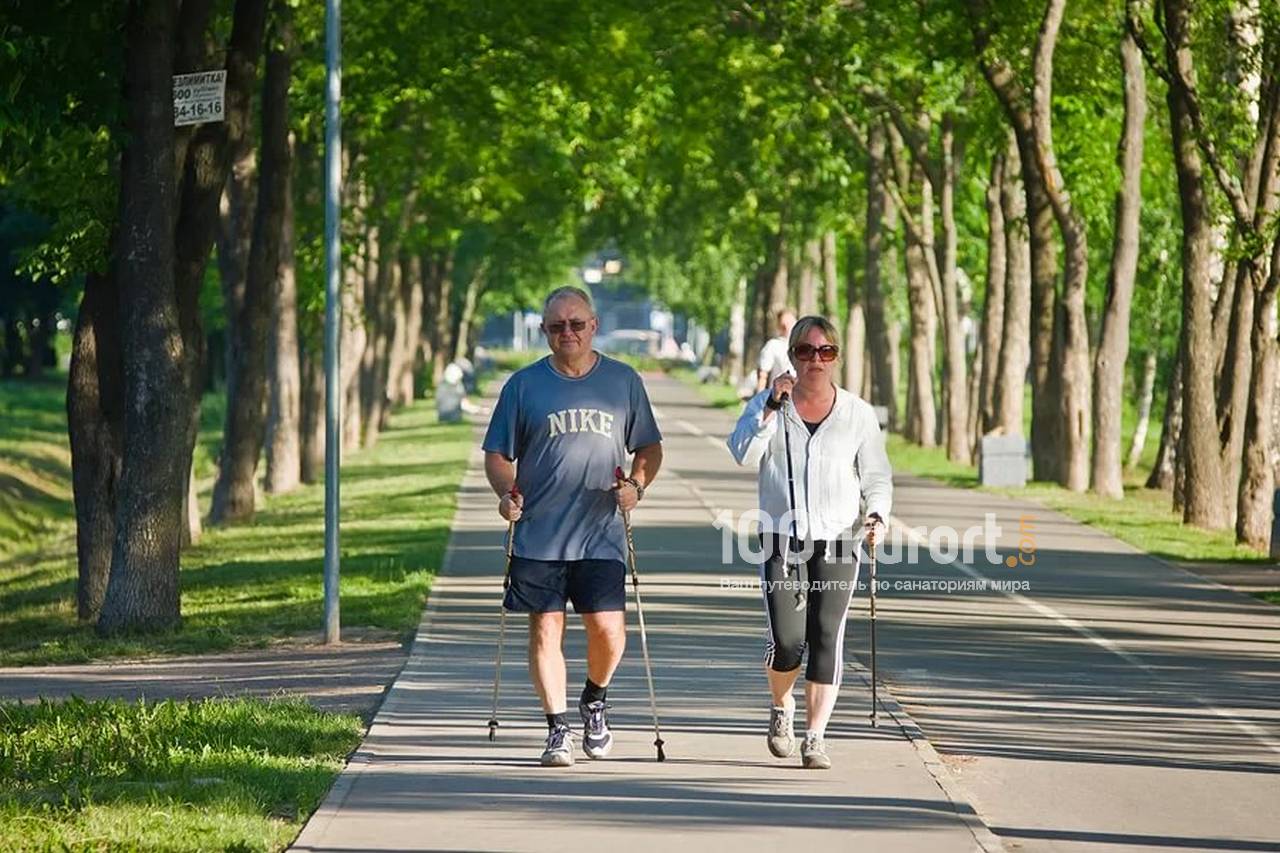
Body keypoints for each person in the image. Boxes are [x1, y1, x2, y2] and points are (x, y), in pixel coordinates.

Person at [482, 285, 664, 767]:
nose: (567, 332)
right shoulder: (523, 386)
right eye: (557, 326)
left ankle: (595, 699)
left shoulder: (623, 381)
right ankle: (557, 728)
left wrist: (637, 487)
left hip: (600, 531)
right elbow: (497, 454)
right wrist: (506, 493)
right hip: (539, 530)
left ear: (593, 326)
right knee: (546, 629)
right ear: (545, 331)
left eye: (576, 324)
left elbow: (648, 447)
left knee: (608, 630)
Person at [727, 314, 892, 770]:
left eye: (826, 352)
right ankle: (782, 708)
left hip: (840, 537)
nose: (816, 360)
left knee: (825, 636)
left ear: (836, 357)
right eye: (806, 351)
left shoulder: (857, 413)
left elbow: (876, 474)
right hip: (782, 536)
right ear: (792, 356)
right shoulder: (769, 405)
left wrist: (878, 513)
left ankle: (816, 737)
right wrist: (768, 408)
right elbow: (743, 452)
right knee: (787, 640)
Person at [755, 309, 797, 393]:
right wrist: (759, 399)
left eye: (790, 323)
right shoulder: (773, 346)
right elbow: (763, 375)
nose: (787, 327)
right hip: (779, 397)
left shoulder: (804, 344)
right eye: (783, 324)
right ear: (779, 326)